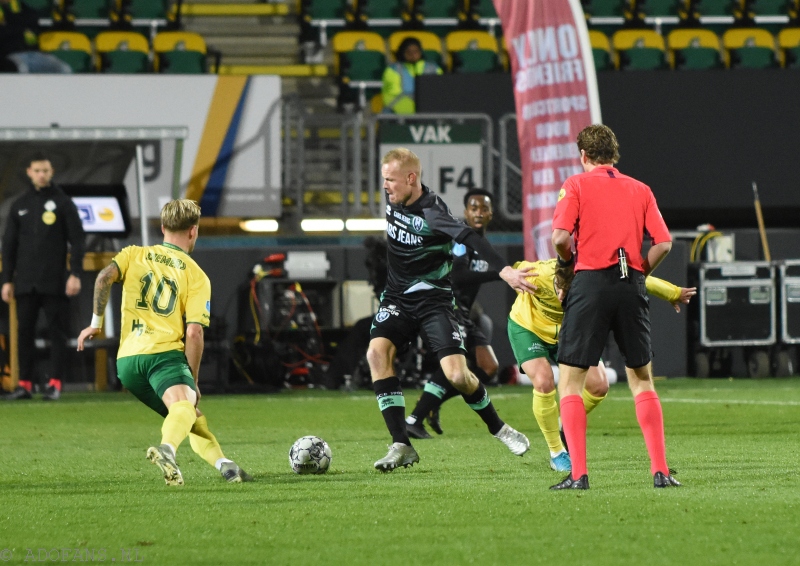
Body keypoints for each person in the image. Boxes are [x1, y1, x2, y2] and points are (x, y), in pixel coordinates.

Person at [370, 147, 536, 472]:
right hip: (398, 299)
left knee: (458, 375)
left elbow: (470, 238)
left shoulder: (432, 212)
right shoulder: (395, 201)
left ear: (411, 178)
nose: (385, 186)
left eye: (390, 180)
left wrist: (504, 270)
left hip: (435, 301)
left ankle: (498, 428)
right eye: (384, 180)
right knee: (377, 354)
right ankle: (401, 443)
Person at [77, 199, 251, 486]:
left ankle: (226, 466)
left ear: (162, 228)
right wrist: (193, 379)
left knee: (188, 415)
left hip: (128, 364)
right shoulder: (196, 275)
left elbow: (104, 278)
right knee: (186, 402)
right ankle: (167, 450)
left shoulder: (134, 254)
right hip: (163, 356)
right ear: (193, 231)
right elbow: (194, 332)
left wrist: (95, 324)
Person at [550, 124, 679, 490]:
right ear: (614, 155)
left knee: (571, 382)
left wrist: (567, 261)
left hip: (590, 283)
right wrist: (639, 271)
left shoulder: (575, 184)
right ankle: (660, 472)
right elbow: (664, 243)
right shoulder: (640, 189)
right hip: (630, 283)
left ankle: (579, 474)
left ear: (583, 156)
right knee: (641, 378)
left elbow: (559, 237)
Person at [507, 257, 696, 473]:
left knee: (599, 386)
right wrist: (509, 274)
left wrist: (673, 292)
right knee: (543, 381)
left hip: (570, 331)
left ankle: (563, 421)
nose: (561, 297)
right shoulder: (539, 274)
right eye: (559, 290)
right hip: (529, 328)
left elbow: (637, 280)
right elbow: (515, 269)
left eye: (568, 294)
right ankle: (557, 452)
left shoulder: (594, 278)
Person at [405, 188, 502, 439]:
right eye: (473, 207)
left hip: (465, 311)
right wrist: (499, 273)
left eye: (483, 208)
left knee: (488, 367)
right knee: (457, 366)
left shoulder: (483, 245)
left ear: (491, 213)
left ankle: (431, 404)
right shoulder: (460, 240)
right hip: (449, 306)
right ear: (466, 212)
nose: (479, 213)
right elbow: (458, 276)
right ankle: (415, 418)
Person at [1, 153, 84, 401]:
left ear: (52, 172)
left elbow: (78, 241)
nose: (41, 174)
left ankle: (55, 383)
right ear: (29, 172)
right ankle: (25, 383)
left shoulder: (63, 203)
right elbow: (9, 246)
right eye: (37, 170)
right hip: (25, 282)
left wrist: (75, 274)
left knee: (57, 333)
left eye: (45, 170)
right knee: (24, 333)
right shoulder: (20, 205)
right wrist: (6, 279)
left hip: (55, 281)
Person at [0, 0, 72, 73]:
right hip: (11, 56)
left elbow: (34, 18)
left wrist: (10, 21)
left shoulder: (19, 7)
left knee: (63, 69)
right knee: (20, 68)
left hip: (34, 53)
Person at [381, 36, 442, 114]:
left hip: (430, 115)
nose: (413, 55)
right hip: (398, 117)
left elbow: (440, 94)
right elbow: (392, 98)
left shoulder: (434, 68)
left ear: (420, 52)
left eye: (416, 51)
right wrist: (418, 109)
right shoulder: (393, 70)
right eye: (409, 52)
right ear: (402, 53)